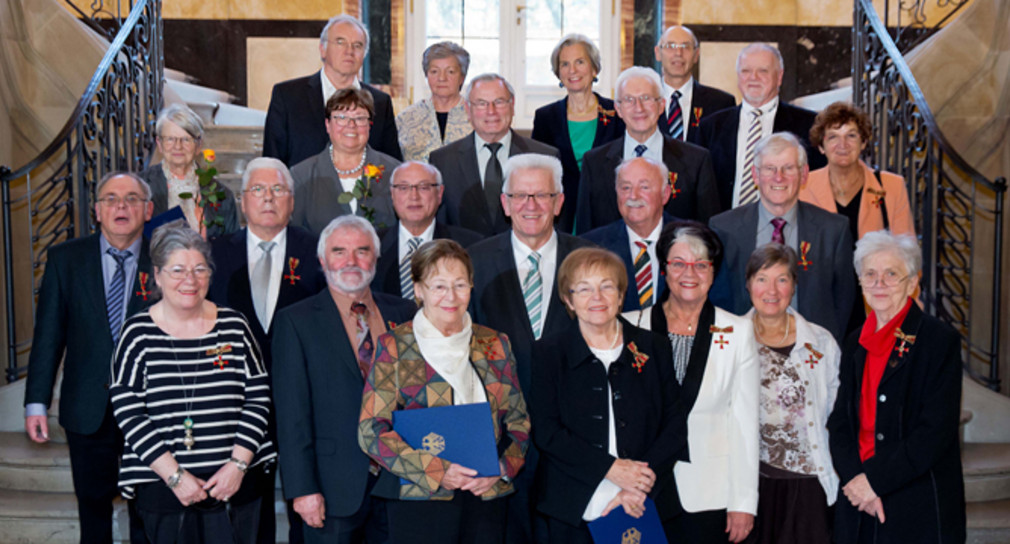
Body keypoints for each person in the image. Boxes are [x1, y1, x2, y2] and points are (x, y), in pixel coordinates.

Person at [109, 220, 277, 543]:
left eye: (200, 269)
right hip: (162, 491)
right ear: (157, 275)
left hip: (236, 487)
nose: (190, 280)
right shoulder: (136, 334)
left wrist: (237, 466)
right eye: (178, 270)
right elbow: (129, 413)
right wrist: (175, 477)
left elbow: (258, 399)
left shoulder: (235, 325)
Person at [358, 239, 531, 544]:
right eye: (438, 286)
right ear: (419, 290)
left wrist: (502, 468)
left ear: (471, 287)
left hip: (486, 496)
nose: (451, 296)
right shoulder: (394, 346)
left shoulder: (495, 344)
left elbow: (519, 422)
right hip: (420, 500)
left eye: (460, 285)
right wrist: (437, 471)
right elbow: (371, 430)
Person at [467, 153, 594, 543]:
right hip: (501, 436)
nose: (530, 206)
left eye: (541, 195)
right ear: (505, 203)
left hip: (575, 437)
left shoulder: (589, 259)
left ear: (559, 202)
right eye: (520, 196)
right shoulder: (474, 262)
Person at [24, 171, 153, 544]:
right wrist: (36, 402)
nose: (121, 206)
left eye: (131, 198)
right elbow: (49, 335)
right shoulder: (66, 260)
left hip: (151, 410)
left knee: (147, 511)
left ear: (147, 209)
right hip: (87, 408)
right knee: (93, 511)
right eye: (111, 198)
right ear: (97, 211)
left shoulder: (164, 258)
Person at [271, 215, 415, 543]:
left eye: (362, 250)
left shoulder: (404, 314)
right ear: (322, 260)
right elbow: (292, 416)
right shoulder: (296, 322)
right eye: (339, 251)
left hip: (399, 481)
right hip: (331, 488)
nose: (351, 261)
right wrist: (303, 489)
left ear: (375, 258)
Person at [531, 247, 686, 543]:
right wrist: (611, 469)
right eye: (584, 289)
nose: (597, 298)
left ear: (620, 294)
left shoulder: (653, 347)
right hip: (573, 507)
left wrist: (637, 485)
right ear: (568, 299)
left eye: (606, 287)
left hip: (644, 501)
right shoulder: (548, 353)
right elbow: (547, 431)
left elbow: (674, 426)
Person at [208, 157, 326, 544]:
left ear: (292, 201)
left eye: (278, 190)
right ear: (242, 202)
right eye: (258, 190)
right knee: (247, 506)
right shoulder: (214, 254)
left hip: (302, 400)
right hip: (236, 403)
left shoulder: (318, 251)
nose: (268, 198)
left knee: (305, 502)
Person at [624, 220, 759, 543]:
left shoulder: (738, 332)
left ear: (713, 272)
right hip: (639, 489)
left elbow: (744, 424)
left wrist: (743, 502)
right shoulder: (629, 326)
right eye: (679, 263)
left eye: (701, 265)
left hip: (710, 492)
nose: (690, 273)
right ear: (663, 269)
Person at [828, 231, 965, 543]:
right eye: (871, 274)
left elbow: (934, 433)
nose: (879, 284)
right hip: (857, 498)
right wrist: (854, 479)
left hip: (914, 499)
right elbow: (840, 423)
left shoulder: (937, 341)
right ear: (860, 281)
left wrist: (874, 481)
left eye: (891, 274)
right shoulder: (854, 342)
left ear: (912, 282)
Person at [710, 132, 855, 343]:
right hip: (742, 350)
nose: (779, 177)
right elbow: (718, 300)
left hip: (811, 354)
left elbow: (844, 301)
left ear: (804, 174)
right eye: (770, 169)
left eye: (788, 168)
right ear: (755, 175)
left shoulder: (833, 230)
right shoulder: (723, 228)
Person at [742, 244, 840, 544]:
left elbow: (834, 414)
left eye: (782, 279)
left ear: (794, 286)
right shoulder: (728, 342)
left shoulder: (821, 342)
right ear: (748, 285)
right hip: (751, 487)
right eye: (762, 278)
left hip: (809, 484)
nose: (771, 290)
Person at [575, 66, 719, 234]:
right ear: (618, 109)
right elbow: (585, 233)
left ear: (661, 105)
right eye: (629, 99)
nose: (639, 108)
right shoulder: (594, 162)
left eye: (646, 98)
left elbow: (707, 232)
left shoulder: (696, 160)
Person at [691, 43, 826, 211]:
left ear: (779, 76)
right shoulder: (710, 127)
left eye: (763, 71)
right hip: (723, 232)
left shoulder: (809, 125)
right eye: (746, 71)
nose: (753, 78)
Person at [263, 14, 401, 166]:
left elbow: (392, 166)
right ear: (323, 49)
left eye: (357, 45)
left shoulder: (380, 102)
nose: (349, 51)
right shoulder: (287, 96)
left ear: (364, 55)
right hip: (302, 188)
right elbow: (272, 165)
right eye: (340, 42)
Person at [430, 73, 559, 237]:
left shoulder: (545, 157)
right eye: (481, 104)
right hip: (463, 258)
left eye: (499, 102)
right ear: (468, 110)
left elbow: (557, 225)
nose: (491, 111)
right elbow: (440, 229)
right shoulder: (443, 161)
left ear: (512, 106)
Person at [531, 34, 625, 233]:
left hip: (607, 214)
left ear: (594, 68)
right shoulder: (545, 117)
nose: (572, 70)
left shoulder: (618, 113)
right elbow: (538, 171)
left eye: (580, 62)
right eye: (565, 64)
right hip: (561, 216)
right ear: (558, 73)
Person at [290, 88, 401, 236]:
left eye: (360, 118)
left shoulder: (395, 172)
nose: (351, 125)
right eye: (341, 117)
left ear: (369, 125)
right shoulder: (300, 176)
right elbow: (294, 235)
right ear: (328, 124)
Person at [371, 161, 482, 300]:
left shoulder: (471, 246)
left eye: (424, 187)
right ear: (392, 194)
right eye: (403, 188)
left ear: (439, 193)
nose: (414, 196)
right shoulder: (372, 245)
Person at [583, 157, 675, 311]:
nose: (633, 196)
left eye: (644, 187)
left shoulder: (691, 241)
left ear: (665, 194)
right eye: (626, 188)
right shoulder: (591, 247)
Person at [140, 103, 239, 239]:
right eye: (170, 139)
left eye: (186, 139)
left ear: (198, 145)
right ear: (160, 144)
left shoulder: (222, 196)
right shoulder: (140, 187)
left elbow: (231, 250)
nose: (178, 146)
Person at [653, 25, 735, 141]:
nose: (678, 53)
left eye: (686, 47)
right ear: (658, 53)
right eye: (670, 46)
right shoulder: (642, 101)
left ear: (696, 55)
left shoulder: (721, 103)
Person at [395, 41, 473, 162]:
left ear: (462, 77)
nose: (442, 78)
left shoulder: (477, 117)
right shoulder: (405, 118)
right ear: (427, 76)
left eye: (450, 71)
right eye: (434, 71)